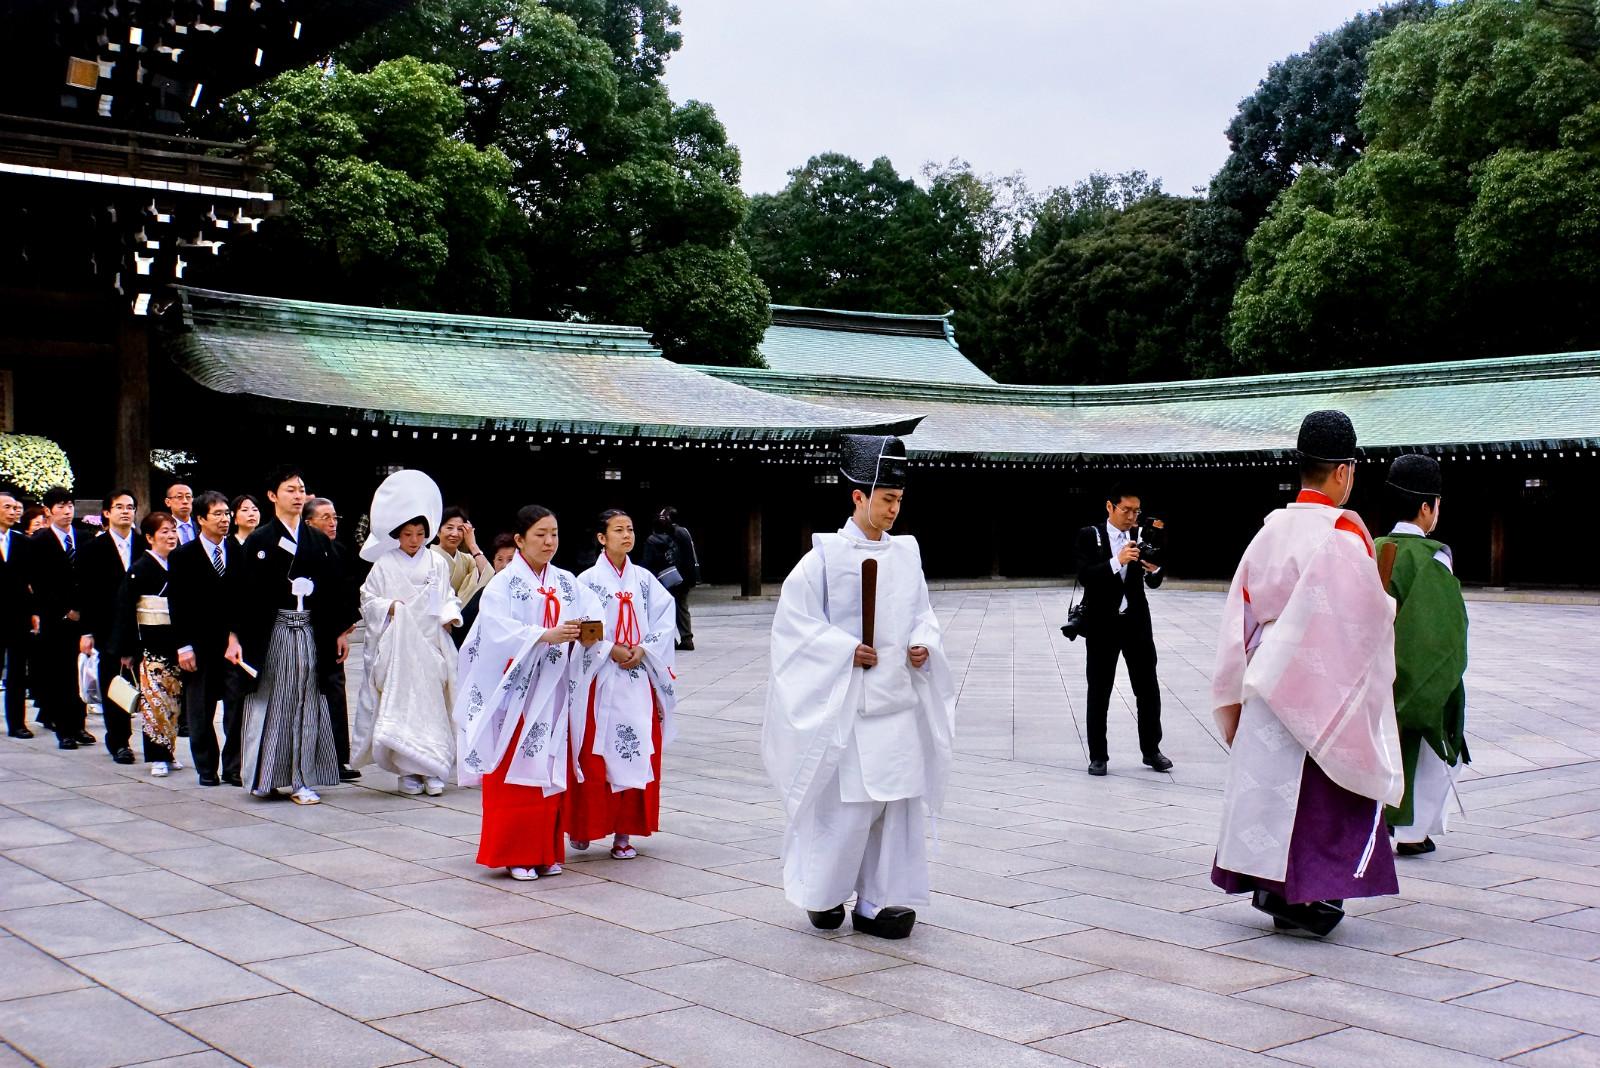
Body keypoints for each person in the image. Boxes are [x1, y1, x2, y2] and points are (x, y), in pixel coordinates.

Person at [1211, 410, 1403, 936]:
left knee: (1269, 789)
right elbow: (1361, 619)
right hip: (1317, 680)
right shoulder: (1342, 535)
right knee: (1320, 790)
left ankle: (1270, 887)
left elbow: (1240, 614)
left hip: (1267, 674)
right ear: (1343, 471)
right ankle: (1308, 894)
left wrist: (1245, 677)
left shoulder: (1268, 532)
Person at [763, 435, 956, 940]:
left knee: (894, 810)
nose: (894, 509)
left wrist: (922, 644)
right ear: (858, 497)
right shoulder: (823, 558)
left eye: (898, 500)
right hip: (847, 707)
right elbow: (794, 627)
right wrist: (842, 650)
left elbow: (922, 614)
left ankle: (877, 902)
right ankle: (823, 896)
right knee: (845, 811)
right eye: (886, 499)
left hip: (896, 705)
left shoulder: (907, 554)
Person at [454, 505, 607, 881]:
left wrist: (586, 633)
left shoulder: (568, 581)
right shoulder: (504, 584)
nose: (549, 541)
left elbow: (594, 618)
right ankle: (515, 852)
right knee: (515, 773)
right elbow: (494, 631)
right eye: (540, 534)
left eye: (554, 533)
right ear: (520, 540)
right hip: (515, 695)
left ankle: (545, 850)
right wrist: (542, 635)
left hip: (553, 691)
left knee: (548, 767)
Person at [226, 467, 344, 805]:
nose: (297, 495)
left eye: (301, 489)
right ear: (273, 496)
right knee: (271, 698)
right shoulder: (259, 541)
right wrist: (234, 637)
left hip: (309, 627)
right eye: (289, 489)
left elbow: (334, 590)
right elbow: (240, 593)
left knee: (307, 700)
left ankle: (302, 778)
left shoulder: (317, 540)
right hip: (273, 629)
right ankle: (266, 775)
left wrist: (338, 631)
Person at [571, 509, 679, 859]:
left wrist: (643, 647)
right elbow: (582, 626)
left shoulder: (645, 579)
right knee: (593, 755)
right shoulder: (586, 580)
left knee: (638, 750)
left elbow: (665, 615)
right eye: (618, 530)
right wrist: (609, 648)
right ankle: (585, 826)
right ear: (602, 538)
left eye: (630, 529)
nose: (626, 535)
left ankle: (623, 832)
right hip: (600, 678)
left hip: (636, 677)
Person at [1377, 455, 1469, 857]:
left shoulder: (1372, 548)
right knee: (1427, 753)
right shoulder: (1434, 555)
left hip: (1376, 675)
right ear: (1426, 506)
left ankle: (1377, 821)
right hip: (1415, 673)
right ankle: (1413, 832)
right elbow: (1443, 630)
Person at [352, 471, 461, 797]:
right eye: (408, 533)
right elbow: (368, 597)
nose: (414, 539)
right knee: (401, 704)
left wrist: (449, 616)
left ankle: (433, 767)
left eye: (419, 533)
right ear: (397, 535)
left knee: (431, 705)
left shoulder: (436, 563)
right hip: (398, 646)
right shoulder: (384, 564)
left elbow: (448, 597)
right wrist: (389, 607)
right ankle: (408, 770)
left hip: (429, 642)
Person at [1075, 484, 1171, 776]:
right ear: (1110, 507)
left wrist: (1153, 570)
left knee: (1148, 688)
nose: (1131, 516)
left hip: (1136, 622)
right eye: (1126, 510)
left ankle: (1152, 750)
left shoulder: (1142, 536)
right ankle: (1098, 755)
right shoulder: (1090, 536)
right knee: (1099, 689)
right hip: (1103, 623)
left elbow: (1154, 581)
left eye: (1136, 511)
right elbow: (1085, 576)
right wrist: (1117, 561)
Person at [170, 491, 245, 786]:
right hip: (199, 645)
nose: (224, 519)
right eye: (217, 514)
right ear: (200, 519)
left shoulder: (239, 552)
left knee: (236, 707)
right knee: (201, 710)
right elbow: (177, 604)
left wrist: (236, 635)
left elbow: (244, 600)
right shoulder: (182, 556)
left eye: (227, 513)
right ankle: (206, 767)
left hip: (232, 645)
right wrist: (184, 646)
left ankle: (233, 767)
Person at [112, 512, 185, 776]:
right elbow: (125, 610)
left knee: (173, 701)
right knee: (154, 701)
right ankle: (157, 755)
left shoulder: (178, 564)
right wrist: (127, 649)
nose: (170, 536)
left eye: (173, 530)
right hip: (150, 642)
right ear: (151, 537)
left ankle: (170, 749)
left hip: (175, 640)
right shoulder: (140, 569)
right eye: (164, 531)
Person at [78, 489, 139, 764]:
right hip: (108, 626)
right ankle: (119, 741)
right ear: (107, 512)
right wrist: (87, 630)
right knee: (114, 683)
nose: (126, 511)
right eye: (119, 507)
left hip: (142, 625)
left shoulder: (144, 543)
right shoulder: (94, 548)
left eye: (130, 507)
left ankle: (159, 742)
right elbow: (87, 592)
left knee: (145, 684)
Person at [30, 486, 92, 748]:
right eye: (60, 507)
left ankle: (79, 725)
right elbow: (40, 583)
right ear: (48, 511)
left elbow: (91, 579)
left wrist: (83, 610)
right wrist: (66, 609)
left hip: (85, 617)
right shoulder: (39, 542)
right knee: (61, 675)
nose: (67, 511)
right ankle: (64, 729)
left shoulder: (85, 537)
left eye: (70, 505)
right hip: (56, 617)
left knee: (81, 674)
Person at [305, 496, 362, 780]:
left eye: (335, 517)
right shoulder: (299, 550)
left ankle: (340, 758)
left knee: (335, 694)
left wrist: (344, 629)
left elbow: (349, 592)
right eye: (325, 517)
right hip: (302, 632)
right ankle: (308, 758)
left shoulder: (339, 550)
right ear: (309, 522)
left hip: (331, 634)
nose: (332, 523)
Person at [1, 487, 39, 738]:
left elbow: (32, 579)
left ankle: (17, 723)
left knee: (16, 670)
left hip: (17, 614)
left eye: (15, 507)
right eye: (6, 507)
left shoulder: (23, 542)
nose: (12, 511)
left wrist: (34, 611)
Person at [641, 507, 700, 651]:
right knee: (682, 607)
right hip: (681, 576)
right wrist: (692, 576)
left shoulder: (653, 539)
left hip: (663, 577)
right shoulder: (682, 532)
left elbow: (648, 562)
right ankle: (687, 638)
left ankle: (670, 639)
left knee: (664, 608)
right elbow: (689, 556)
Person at [453, 532, 515, 649]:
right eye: (499, 559)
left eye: (510, 559)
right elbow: (461, 628)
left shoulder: (532, 590)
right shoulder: (486, 592)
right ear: (493, 562)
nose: (504, 565)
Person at [434, 506, 491, 604]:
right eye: (449, 528)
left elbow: (488, 574)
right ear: (438, 531)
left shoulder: (467, 559)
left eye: (460, 529)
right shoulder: (429, 556)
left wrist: (472, 545)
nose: (455, 534)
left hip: (463, 611)